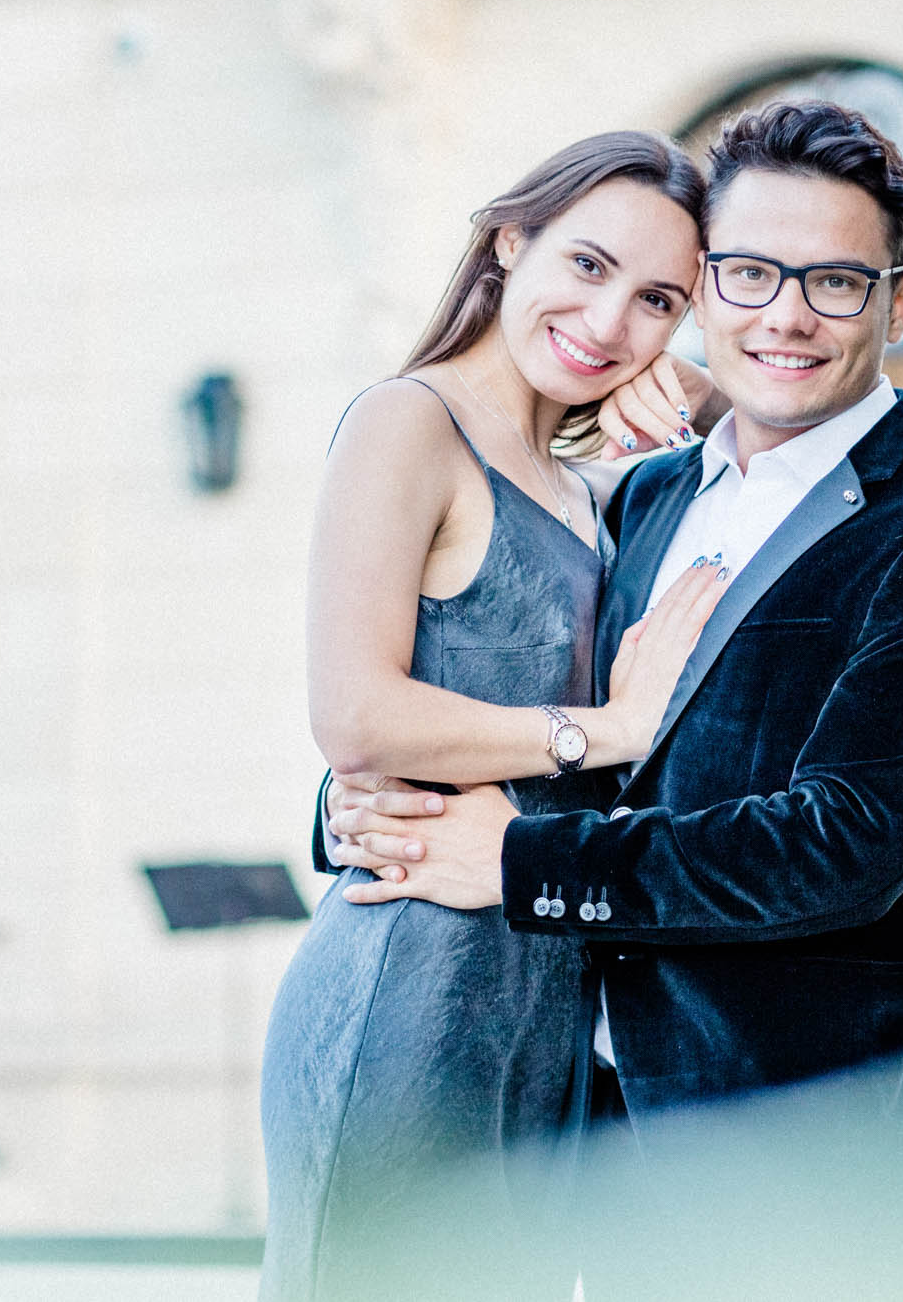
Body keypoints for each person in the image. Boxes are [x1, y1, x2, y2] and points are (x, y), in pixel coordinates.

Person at [327, 100, 903, 1301]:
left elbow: (841, 848)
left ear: (900, 303)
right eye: (750, 272)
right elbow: (533, 723)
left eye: (833, 282)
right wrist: (370, 814)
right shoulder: (637, 498)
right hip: (581, 1151)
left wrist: (522, 863)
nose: (784, 314)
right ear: (703, 287)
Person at [257, 130, 730, 1302]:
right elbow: (353, 712)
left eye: (656, 300)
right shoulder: (405, 422)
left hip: (544, 1003)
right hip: (412, 989)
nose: (609, 319)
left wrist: (703, 393)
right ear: (510, 240)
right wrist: (598, 731)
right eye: (585, 264)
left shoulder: (584, 486)